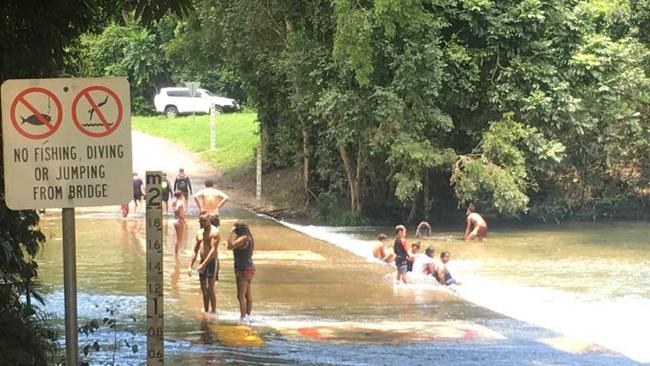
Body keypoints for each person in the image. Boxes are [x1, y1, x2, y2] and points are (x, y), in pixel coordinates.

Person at [188, 212, 220, 313]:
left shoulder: (215, 232)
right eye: (200, 221)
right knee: (203, 288)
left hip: (212, 262)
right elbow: (195, 250)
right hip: (202, 261)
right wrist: (190, 266)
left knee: (210, 288)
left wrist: (204, 264)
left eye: (204, 221)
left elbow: (213, 250)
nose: (202, 223)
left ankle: (214, 311)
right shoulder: (199, 233)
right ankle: (206, 310)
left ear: (209, 220)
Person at [227, 221, 256, 324]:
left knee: (241, 295)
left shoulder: (243, 238)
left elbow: (230, 246)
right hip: (250, 267)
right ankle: (247, 316)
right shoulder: (249, 238)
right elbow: (234, 246)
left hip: (243, 268)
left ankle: (243, 318)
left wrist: (231, 233)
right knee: (247, 294)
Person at [172, 191, 186, 256]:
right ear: (180, 196)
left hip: (175, 220)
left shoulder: (174, 202)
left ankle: (176, 252)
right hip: (179, 221)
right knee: (179, 238)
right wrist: (184, 221)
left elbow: (176, 211)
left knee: (178, 237)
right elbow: (181, 214)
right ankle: (176, 253)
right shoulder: (181, 203)